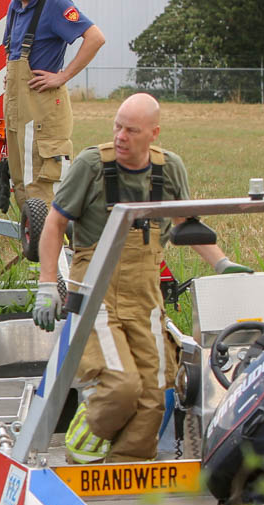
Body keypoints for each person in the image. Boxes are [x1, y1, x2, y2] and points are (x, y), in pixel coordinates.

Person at [32, 93, 251, 462]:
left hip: (145, 296)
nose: (120, 136)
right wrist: (47, 284)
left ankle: (127, 469)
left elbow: (185, 224)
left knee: (153, 393)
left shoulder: (170, 169)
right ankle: (82, 442)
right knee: (123, 385)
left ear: (153, 133)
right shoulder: (91, 165)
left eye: (131, 131)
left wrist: (223, 264)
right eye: (117, 126)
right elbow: (54, 224)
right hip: (97, 295)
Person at [0, 0, 105, 214]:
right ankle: (32, 236)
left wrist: (63, 75)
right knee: (21, 181)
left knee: (44, 183)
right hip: (18, 108)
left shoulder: (54, 3)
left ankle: (56, 237)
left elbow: (95, 38)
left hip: (44, 110)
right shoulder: (15, 6)